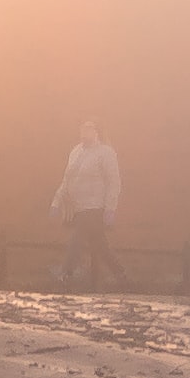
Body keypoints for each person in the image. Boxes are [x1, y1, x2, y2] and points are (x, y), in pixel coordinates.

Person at [54, 117, 125, 292]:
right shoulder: (75, 152)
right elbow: (67, 179)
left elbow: (113, 182)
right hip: (78, 207)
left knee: (77, 238)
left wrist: (110, 208)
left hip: (95, 207)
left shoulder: (106, 153)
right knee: (99, 244)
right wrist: (57, 201)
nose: (84, 133)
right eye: (83, 129)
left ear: (97, 132)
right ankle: (121, 274)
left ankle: (66, 272)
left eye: (89, 129)